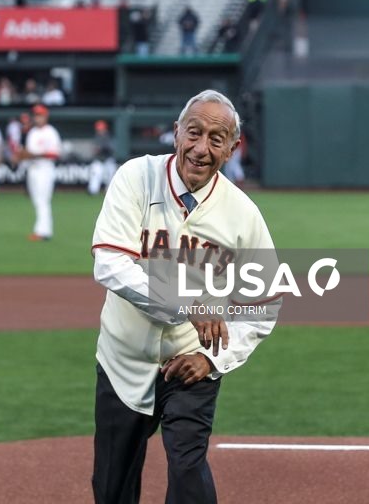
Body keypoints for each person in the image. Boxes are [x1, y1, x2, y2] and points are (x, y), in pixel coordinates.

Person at [90, 90, 280, 503]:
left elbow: (264, 303)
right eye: (194, 132)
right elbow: (109, 263)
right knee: (112, 483)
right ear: (176, 133)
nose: (201, 148)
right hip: (123, 358)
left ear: (232, 148)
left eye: (217, 138)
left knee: (188, 468)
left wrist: (213, 359)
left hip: (192, 360)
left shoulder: (243, 214)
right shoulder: (136, 178)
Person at [16, 104, 61, 241]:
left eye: (40, 115)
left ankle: (43, 231)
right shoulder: (33, 132)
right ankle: (41, 230)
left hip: (44, 169)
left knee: (43, 200)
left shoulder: (50, 132)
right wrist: (22, 155)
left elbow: (55, 154)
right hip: (33, 169)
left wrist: (33, 154)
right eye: (36, 115)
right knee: (37, 200)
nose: (38, 118)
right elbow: (27, 153)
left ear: (46, 116)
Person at [87, 120, 117, 196]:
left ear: (105, 128)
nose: (99, 130)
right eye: (98, 129)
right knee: (96, 174)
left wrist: (102, 148)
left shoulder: (108, 137)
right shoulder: (96, 137)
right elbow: (95, 150)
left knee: (110, 176)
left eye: (101, 129)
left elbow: (111, 149)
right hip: (99, 160)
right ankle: (93, 191)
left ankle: (109, 191)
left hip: (108, 159)